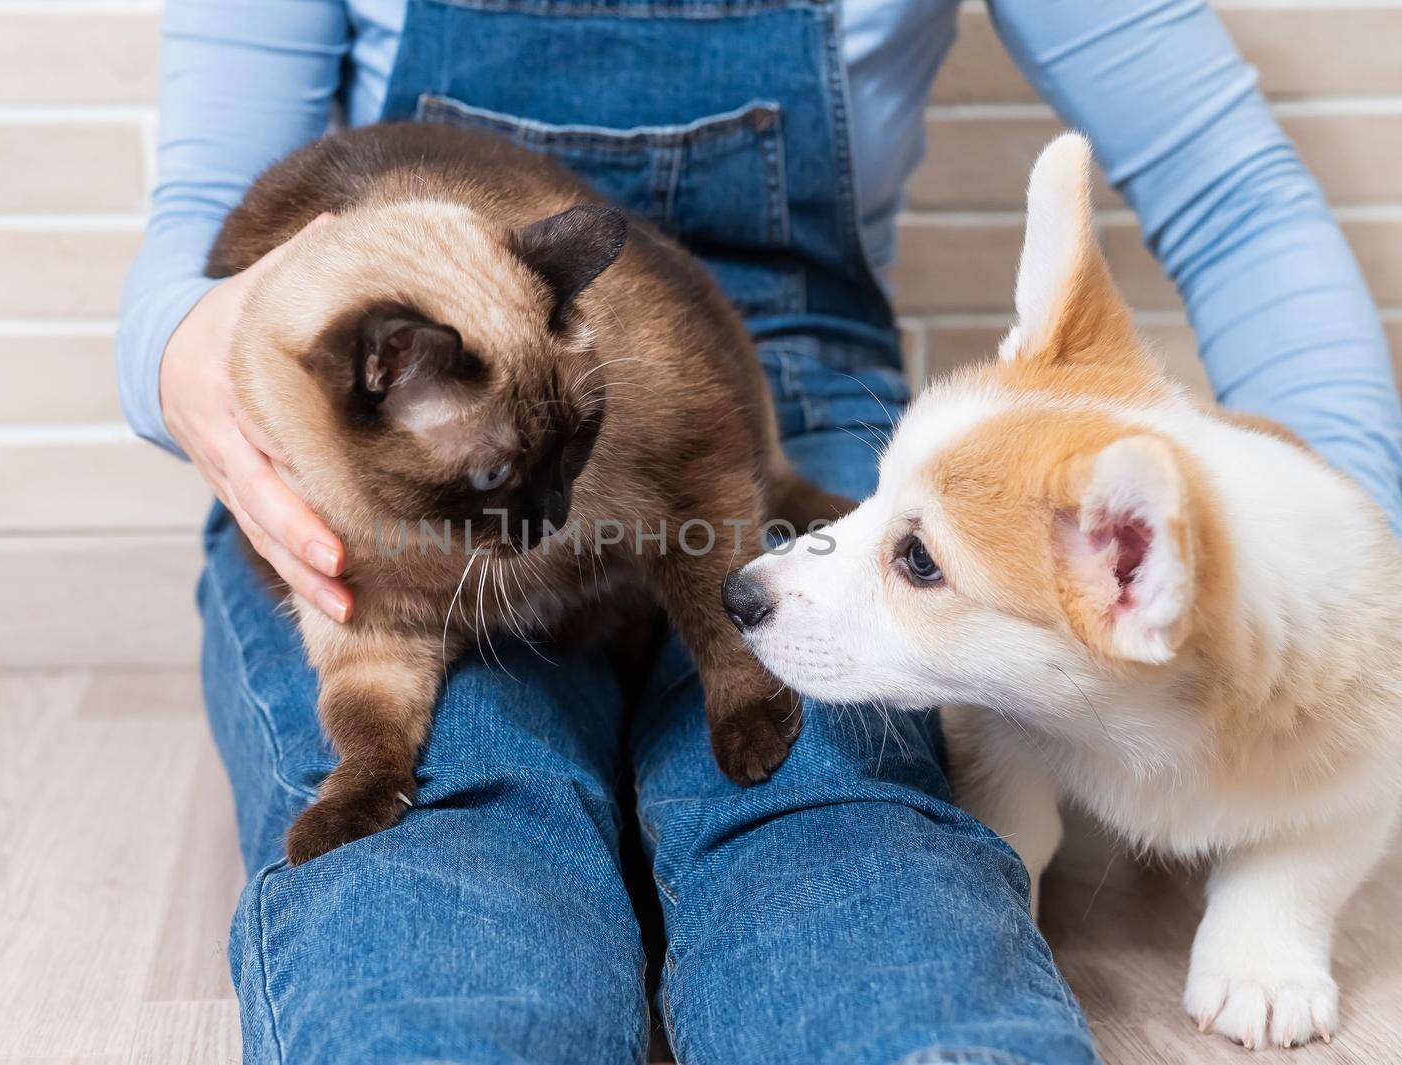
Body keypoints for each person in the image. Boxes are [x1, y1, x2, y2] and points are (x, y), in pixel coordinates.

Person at [118, 1, 1402, 1061]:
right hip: (405, 459)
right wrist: (185, 356)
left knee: (842, 823)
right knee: (441, 830)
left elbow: (1230, 193)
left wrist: (1350, 568)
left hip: (770, 409)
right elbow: (192, 235)